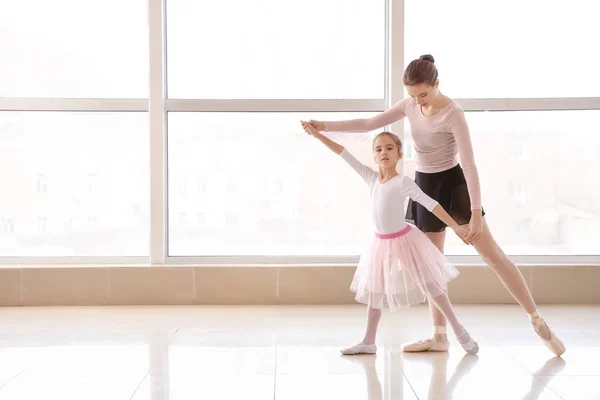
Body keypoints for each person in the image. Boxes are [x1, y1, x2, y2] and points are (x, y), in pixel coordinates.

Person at [302, 54, 565, 357]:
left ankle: (535, 318)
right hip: (424, 183)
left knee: (493, 256)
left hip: (453, 185)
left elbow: (469, 166)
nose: (418, 101)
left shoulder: (453, 114)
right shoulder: (410, 104)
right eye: (413, 96)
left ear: (437, 84)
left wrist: (476, 214)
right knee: (431, 267)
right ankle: (439, 336)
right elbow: (368, 123)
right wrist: (323, 125)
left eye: (423, 94)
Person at [302, 122, 479, 356]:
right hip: (380, 244)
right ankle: (368, 341)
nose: (383, 153)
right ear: (374, 156)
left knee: (431, 285)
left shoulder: (403, 182)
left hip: (405, 241)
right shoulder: (371, 178)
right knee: (375, 292)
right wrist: (317, 135)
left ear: (399, 154)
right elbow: (343, 153)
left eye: (389, 148)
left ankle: (459, 332)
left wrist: (456, 226)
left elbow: (431, 204)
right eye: (378, 149)